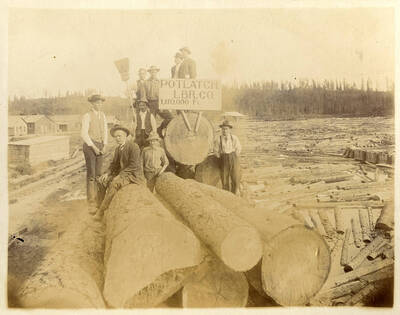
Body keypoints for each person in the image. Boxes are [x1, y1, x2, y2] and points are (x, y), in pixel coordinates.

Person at [94, 124, 145, 220]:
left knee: (114, 184)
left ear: (125, 136)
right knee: (101, 181)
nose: (117, 138)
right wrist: (107, 173)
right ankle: (99, 206)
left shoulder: (134, 147)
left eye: (119, 136)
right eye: (115, 137)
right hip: (123, 174)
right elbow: (114, 164)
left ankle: (101, 212)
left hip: (133, 175)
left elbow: (134, 165)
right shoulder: (118, 149)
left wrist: (120, 175)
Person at [81, 94, 108, 213]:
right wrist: (94, 147)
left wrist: (105, 144)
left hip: (101, 145)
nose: (99, 104)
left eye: (100, 102)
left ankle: (99, 199)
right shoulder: (87, 116)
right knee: (91, 174)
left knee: (99, 174)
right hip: (90, 146)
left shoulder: (103, 115)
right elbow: (84, 134)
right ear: (92, 104)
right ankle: (91, 201)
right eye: (96, 102)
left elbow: (105, 131)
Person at [213, 120, 242, 195]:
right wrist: (219, 156)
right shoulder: (218, 139)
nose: (224, 131)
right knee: (224, 178)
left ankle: (234, 193)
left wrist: (235, 156)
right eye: (223, 129)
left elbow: (238, 148)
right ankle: (227, 195)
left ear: (229, 130)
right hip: (223, 159)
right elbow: (215, 150)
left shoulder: (234, 138)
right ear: (221, 130)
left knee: (235, 177)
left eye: (226, 129)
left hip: (233, 157)